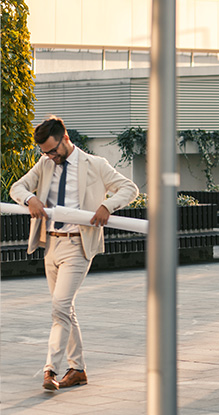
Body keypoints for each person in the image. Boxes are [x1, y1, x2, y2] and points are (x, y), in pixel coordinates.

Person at [10, 116, 139, 390]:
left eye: (53, 150)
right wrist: (30, 198)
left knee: (59, 309)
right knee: (65, 309)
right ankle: (78, 369)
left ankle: (50, 370)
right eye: (44, 152)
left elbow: (130, 188)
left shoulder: (95, 165)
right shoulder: (45, 164)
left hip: (79, 245)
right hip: (51, 244)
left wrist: (108, 206)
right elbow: (16, 188)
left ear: (65, 139)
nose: (50, 156)